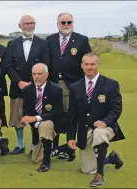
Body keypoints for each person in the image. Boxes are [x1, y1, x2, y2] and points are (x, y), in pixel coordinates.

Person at [66, 53, 125, 187]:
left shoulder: (111, 84)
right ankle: (111, 158)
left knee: (99, 133)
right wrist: (70, 136)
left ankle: (100, 175)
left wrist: (105, 122)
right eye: (86, 64)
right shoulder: (75, 87)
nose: (89, 67)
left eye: (92, 64)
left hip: (107, 127)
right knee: (87, 170)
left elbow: (116, 109)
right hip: (85, 131)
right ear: (82, 66)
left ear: (97, 65)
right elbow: (72, 114)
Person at [47, 12, 92, 159]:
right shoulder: (50, 40)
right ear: (57, 24)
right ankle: (53, 147)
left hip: (73, 85)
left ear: (72, 23)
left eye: (69, 22)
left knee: (71, 116)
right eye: (63, 22)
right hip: (53, 84)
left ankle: (69, 149)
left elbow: (87, 63)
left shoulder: (82, 40)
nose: (66, 25)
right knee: (54, 114)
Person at [5, 15, 50, 156]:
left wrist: (33, 83)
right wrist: (18, 81)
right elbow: (8, 66)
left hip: (36, 87)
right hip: (17, 87)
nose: (29, 26)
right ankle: (20, 145)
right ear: (20, 26)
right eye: (26, 24)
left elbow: (45, 65)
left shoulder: (43, 43)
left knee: (34, 117)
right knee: (17, 118)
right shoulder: (12, 44)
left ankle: (33, 146)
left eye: (31, 23)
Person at [21, 63, 63, 172]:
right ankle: (62, 148)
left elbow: (57, 112)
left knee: (45, 124)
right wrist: (34, 122)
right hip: (36, 127)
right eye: (34, 74)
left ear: (47, 75)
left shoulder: (56, 89)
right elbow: (26, 113)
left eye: (39, 74)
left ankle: (46, 162)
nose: (36, 77)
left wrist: (37, 118)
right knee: (35, 159)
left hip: (52, 124)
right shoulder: (27, 90)